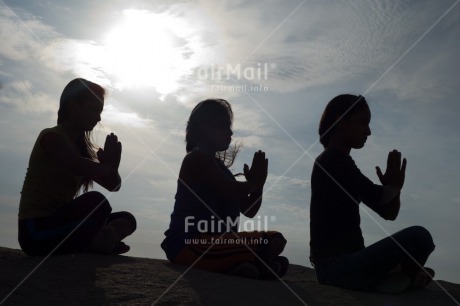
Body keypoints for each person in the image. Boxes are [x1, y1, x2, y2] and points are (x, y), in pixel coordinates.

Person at [309, 94, 435, 293]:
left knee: (419, 241)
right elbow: (379, 196)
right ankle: (402, 277)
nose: (368, 131)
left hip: (348, 262)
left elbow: (389, 213)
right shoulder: (331, 160)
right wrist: (393, 187)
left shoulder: (343, 164)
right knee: (420, 237)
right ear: (341, 122)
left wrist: (394, 189)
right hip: (335, 268)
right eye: (363, 123)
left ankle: (394, 277)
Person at [161, 99, 288, 279]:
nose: (230, 132)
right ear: (205, 127)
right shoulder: (196, 158)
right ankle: (250, 265)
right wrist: (255, 182)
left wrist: (258, 185)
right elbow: (230, 190)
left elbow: (249, 210)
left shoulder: (222, 169)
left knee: (277, 239)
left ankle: (240, 266)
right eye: (224, 126)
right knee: (268, 244)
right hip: (190, 244)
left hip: (219, 244)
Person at [18, 78, 136, 256]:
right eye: (94, 110)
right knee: (97, 202)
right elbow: (76, 165)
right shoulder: (51, 137)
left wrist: (113, 167)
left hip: (62, 224)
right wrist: (107, 166)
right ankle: (97, 243)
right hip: (36, 231)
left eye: (100, 112)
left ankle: (101, 240)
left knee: (127, 219)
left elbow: (113, 186)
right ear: (73, 106)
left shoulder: (80, 152)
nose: (98, 118)